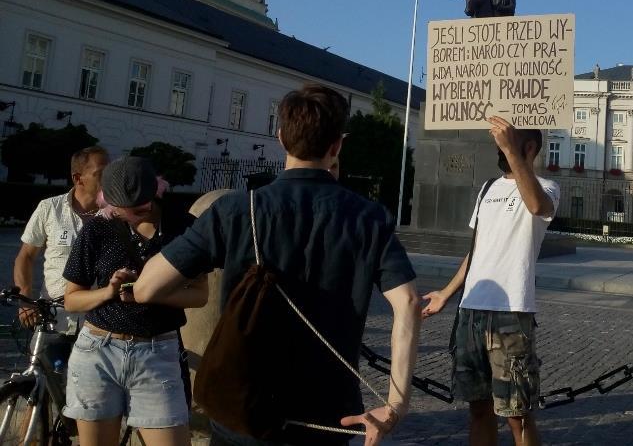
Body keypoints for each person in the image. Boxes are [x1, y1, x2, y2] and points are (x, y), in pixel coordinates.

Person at [134, 84, 421, 446]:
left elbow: (147, 288)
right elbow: (409, 304)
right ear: (337, 146)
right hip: (327, 413)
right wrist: (395, 404)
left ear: (281, 137)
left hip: (245, 407)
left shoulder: (235, 211)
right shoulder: (370, 218)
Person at [420, 116, 560, 446]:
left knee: (517, 415)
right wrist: (447, 293)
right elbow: (477, 251)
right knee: (478, 409)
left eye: (508, 140)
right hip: (470, 312)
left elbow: (538, 205)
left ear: (529, 147)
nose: (498, 146)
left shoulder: (547, 188)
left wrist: (511, 150)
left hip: (511, 314)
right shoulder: (487, 189)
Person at [63, 156, 206, 446]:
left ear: (156, 193)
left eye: (141, 208)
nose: (132, 215)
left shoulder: (184, 227)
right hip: (98, 351)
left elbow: (201, 294)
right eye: (122, 210)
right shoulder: (97, 229)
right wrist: (109, 291)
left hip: (157, 352)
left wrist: (152, 292)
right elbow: (72, 300)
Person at [14, 146, 109, 334]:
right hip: (54, 317)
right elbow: (25, 256)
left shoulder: (117, 215)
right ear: (78, 178)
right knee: (41, 362)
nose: (109, 178)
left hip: (99, 323)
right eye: (101, 173)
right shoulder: (50, 208)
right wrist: (25, 298)